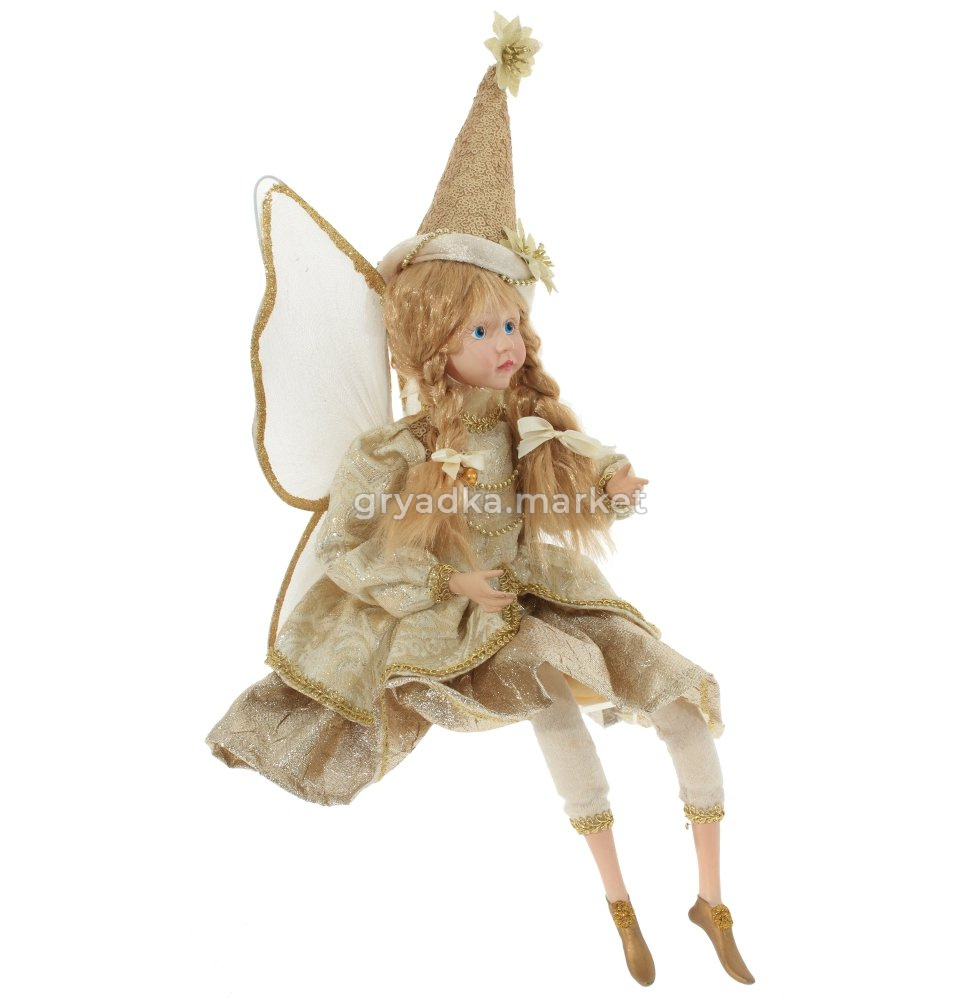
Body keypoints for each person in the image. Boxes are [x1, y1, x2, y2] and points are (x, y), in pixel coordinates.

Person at [207, 13, 754, 987]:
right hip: (472, 611)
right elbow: (352, 550)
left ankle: (710, 897)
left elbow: (583, 482)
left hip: (547, 585)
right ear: (431, 342)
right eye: (482, 329)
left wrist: (612, 486)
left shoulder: (528, 429)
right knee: (554, 703)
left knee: (675, 694)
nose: (507, 344)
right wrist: (446, 575)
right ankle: (621, 902)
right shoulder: (394, 453)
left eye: (512, 324)